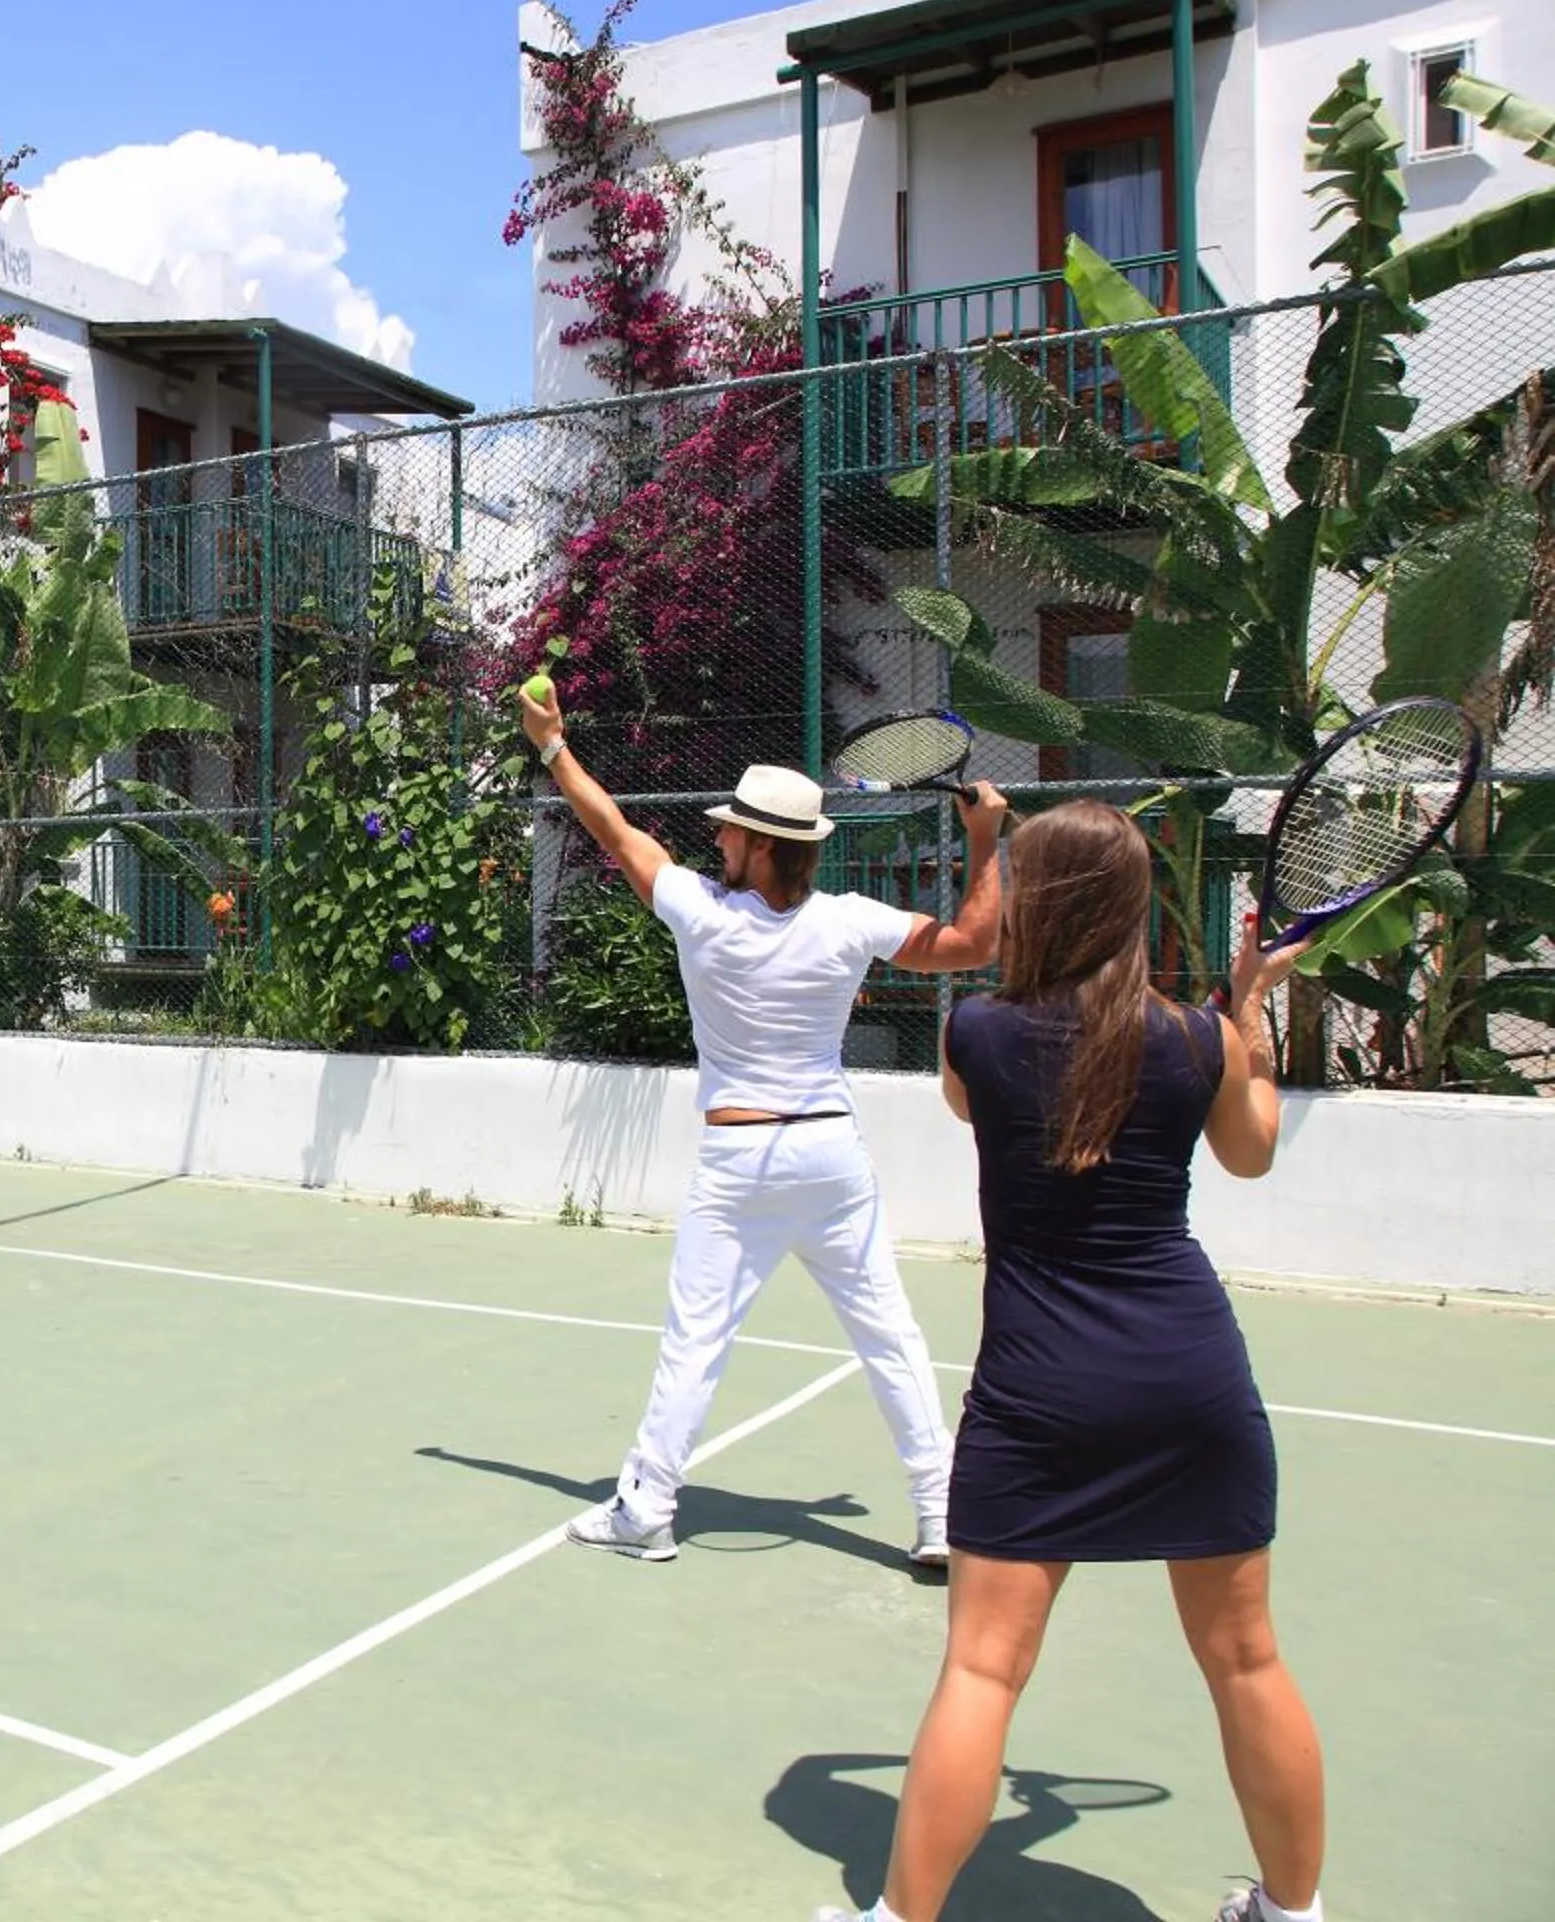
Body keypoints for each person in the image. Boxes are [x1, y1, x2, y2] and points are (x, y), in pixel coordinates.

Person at [815, 802, 1323, 1922]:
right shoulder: (1202, 1040)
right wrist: (1247, 1006)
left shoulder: (977, 1036)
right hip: (1190, 1381)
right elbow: (1252, 1151)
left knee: (982, 1669)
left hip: (1039, 1392)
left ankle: (898, 1916)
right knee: (1246, 1660)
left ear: (1038, 905)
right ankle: (1294, 1911)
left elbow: (981, 1104)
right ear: (1134, 906)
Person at [518, 684, 1006, 1568]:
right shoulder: (851, 922)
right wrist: (984, 842)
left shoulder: (702, 915)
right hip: (830, 1157)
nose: (719, 840)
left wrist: (552, 746)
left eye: (732, 832)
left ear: (762, 845)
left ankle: (646, 1510)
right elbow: (977, 944)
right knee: (890, 1335)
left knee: (695, 1342)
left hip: (740, 1161)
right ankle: (941, 1515)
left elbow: (613, 831)